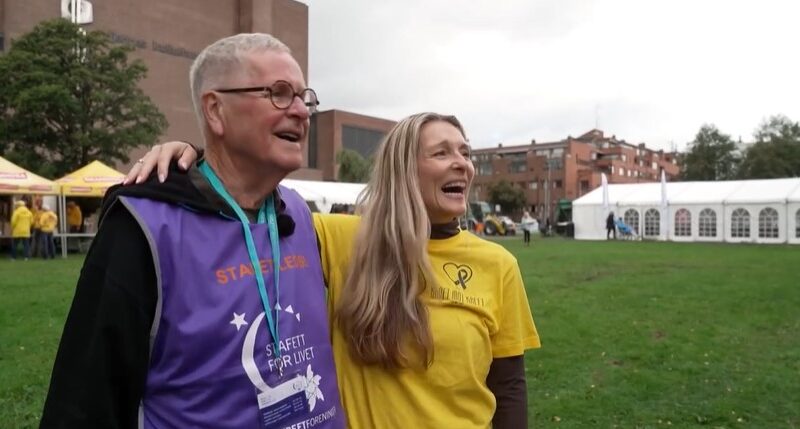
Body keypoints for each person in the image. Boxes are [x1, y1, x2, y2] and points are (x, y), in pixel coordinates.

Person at [129, 112, 541, 428]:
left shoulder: (498, 265)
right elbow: (249, 200)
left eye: (465, 153)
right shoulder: (339, 238)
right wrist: (195, 156)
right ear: (403, 170)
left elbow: (509, 385)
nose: (463, 164)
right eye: (442, 153)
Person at [41, 33, 345, 429]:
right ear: (215, 111)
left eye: (304, 98)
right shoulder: (145, 225)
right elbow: (85, 402)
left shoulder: (299, 216)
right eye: (279, 93)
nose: (302, 112)